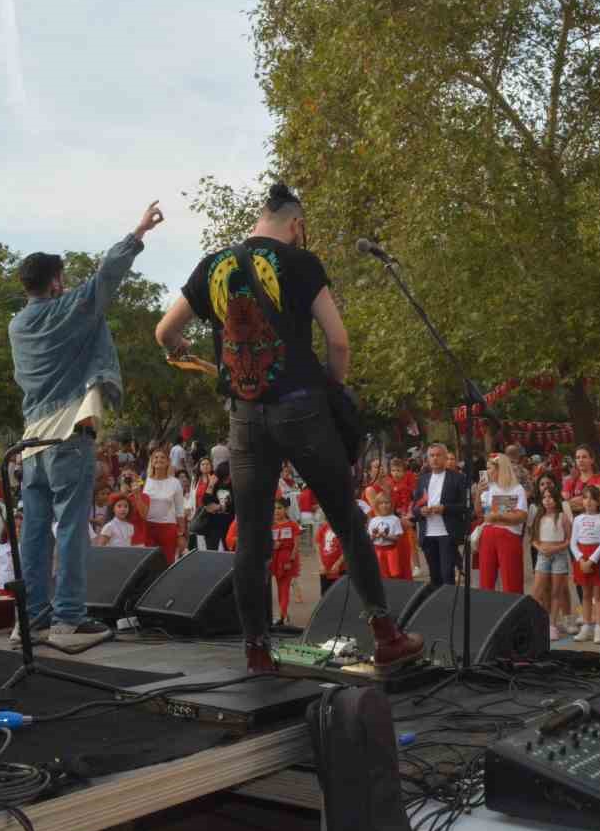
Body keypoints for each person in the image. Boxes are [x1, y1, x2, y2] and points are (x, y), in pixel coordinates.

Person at [156, 182, 422, 672]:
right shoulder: (303, 263)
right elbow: (337, 343)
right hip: (302, 410)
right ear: (296, 225)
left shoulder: (213, 264)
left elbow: (165, 331)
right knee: (346, 522)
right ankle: (386, 634)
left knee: (252, 537)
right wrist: (335, 392)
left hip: (244, 419)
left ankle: (257, 650)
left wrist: (179, 351)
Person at [9, 200, 163, 653]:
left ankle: (31, 620)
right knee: (73, 528)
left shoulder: (17, 325)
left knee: (33, 533)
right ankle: (68, 619)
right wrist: (138, 231)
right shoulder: (69, 310)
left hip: (30, 443)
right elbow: (107, 276)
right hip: (68, 437)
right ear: (56, 281)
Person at [476, 453, 528, 594]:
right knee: (486, 579)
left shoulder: (517, 489)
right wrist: (478, 493)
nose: (487, 472)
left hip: (508, 535)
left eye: (490, 468)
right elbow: (479, 513)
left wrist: (499, 516)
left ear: (500, 468)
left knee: (511, 579)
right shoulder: (489, 487)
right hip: (487, 535)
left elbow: (522, 515)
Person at [531, 485, 574, 641]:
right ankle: (535, 622)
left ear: (556, 500)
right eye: (544, 497)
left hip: (559, 556)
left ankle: (552, 625)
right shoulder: (539, 517)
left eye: (550, 497)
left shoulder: (562, 517)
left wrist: (556, 548)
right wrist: (540, 548)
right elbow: (533, 539)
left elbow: (569, 539)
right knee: (537, 591)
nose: (547, 500)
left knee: (556, 592)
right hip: (543, 555)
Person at [569, 486, 600, 643]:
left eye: (592, 498)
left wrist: (592, 560)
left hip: (596, 559)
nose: (589, 501)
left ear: (598, 501)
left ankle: (599, 628)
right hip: (581, 558)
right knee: (585, 595)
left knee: (598, 596)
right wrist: (580, 559)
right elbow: (573, 543)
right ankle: (586, 626)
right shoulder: (578, 519)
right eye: (585, 498)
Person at [143, 448, 186, 564]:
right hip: (148, 528)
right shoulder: (144, 481)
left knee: (167, 563)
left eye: (162, 457)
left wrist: (181, 534)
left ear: (168, 462)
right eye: (155, 457)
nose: (159, 460)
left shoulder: (175, 482)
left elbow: (180, 511)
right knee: (148, 565)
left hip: (168, 528)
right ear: (151, 461)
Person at [270, 497, 302, 626]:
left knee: (284, 588)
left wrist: (291, 559)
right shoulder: (271, 525)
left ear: (286, 509)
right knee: (279, 588)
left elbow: (296, 545)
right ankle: (284, 614)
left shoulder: (292, 525)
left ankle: (282, 616)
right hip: (274, 559)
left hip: (287, 559)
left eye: (279, 508)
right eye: (274, 509)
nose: (276, 511)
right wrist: (273, 545)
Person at [367, 494, 408, 579]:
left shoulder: (394, 519)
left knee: (394, 574)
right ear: (377, 505)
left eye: (387, 503)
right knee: (381, 574)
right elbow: (369, 539)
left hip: (391, 550)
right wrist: (375, 536)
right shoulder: (373, 520)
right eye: (381, 503)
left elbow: (398, 538)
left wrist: (386, 537)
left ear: (391, 504)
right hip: (377, 551)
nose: (384, 505)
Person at [316, 516, 346, 596]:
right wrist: (321, 564)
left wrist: (337, 564)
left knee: (339, 594)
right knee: (325, 595)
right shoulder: (323, 528)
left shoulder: (344, 529)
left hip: (340, 569)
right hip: (325, 568)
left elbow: (347, 549)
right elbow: (318, 546)